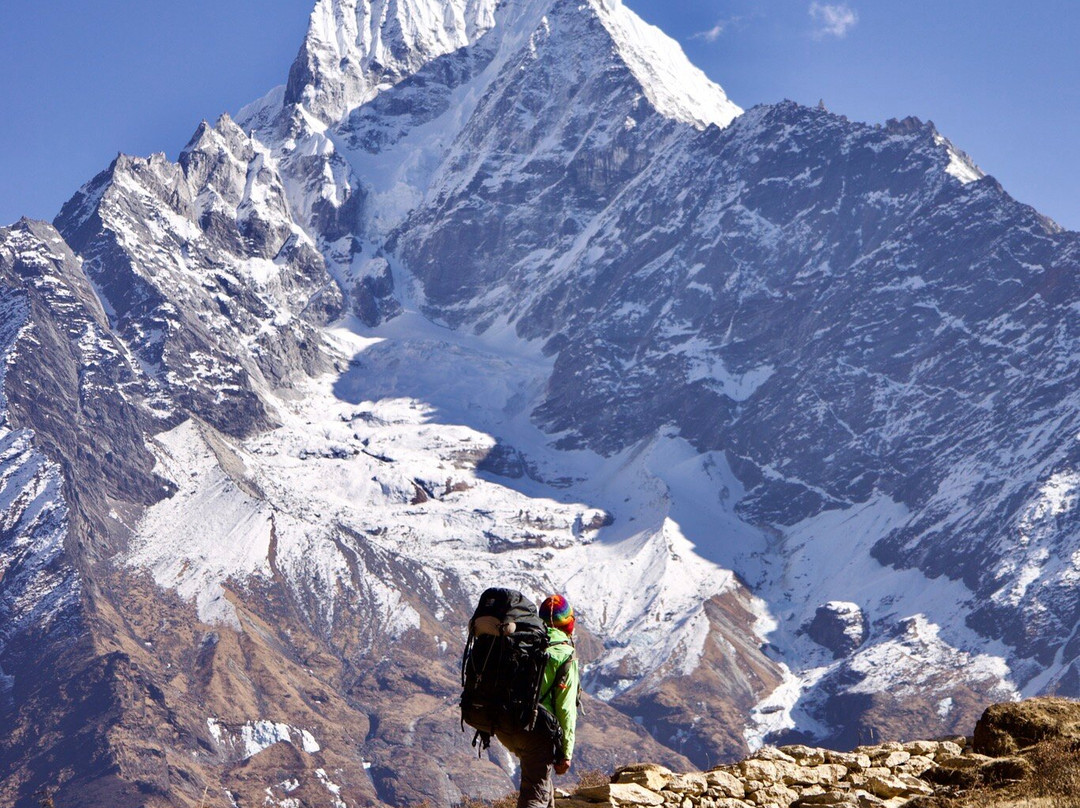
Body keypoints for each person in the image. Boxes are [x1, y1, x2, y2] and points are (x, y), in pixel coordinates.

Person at [493, 594, 580, 808]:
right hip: (536, 729)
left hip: (504, 723)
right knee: (535, 796)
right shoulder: (564, 654)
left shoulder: (523, 641)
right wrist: (565, 752)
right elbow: (566, 709)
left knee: (540, 781)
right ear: (569, 624)